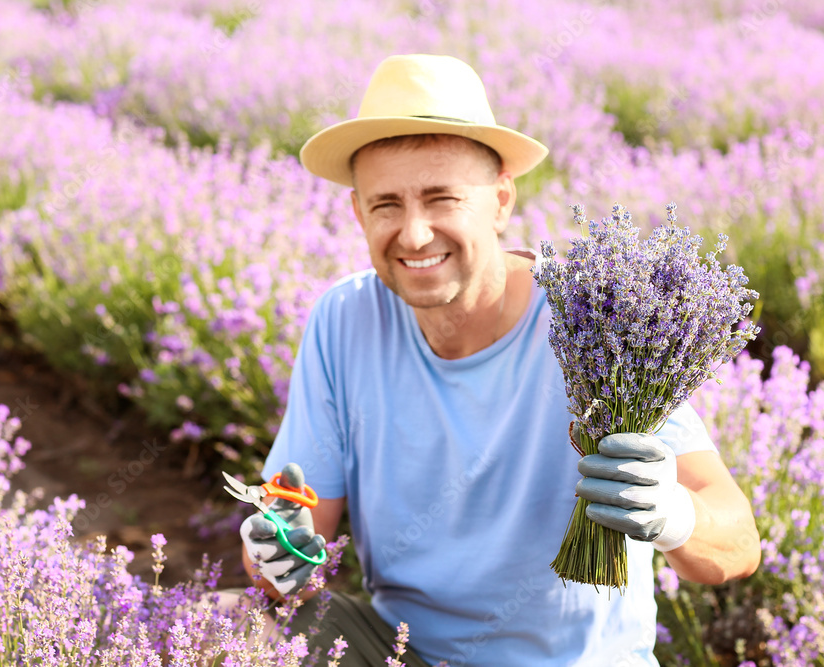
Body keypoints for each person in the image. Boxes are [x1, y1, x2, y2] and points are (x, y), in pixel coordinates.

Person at [239, 53, 761, 667]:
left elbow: (737, 546)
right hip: (401, 650)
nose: (412, 234)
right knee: (217, 631)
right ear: (357, 212)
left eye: (442, 199)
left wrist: (672, 514)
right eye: (386, 205)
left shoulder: (595, 321)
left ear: (501, 199)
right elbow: (294, 515)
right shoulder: (344, 319)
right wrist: (274, 545)